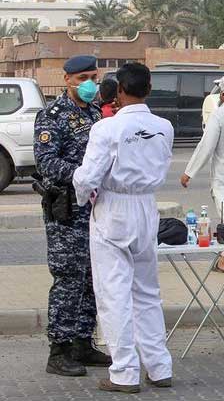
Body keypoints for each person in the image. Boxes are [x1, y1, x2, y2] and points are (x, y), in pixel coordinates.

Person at [73, 62, 174, 394]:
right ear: (148, 90)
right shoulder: (165, 127)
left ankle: (125, 372)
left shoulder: (107, 128)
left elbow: (88, 177)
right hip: (146, 206)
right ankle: (159, 367)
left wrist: (82, 193)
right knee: (147, 292)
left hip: (114, 206)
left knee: (113, 294)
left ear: (119, 91)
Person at [33, 55, 111, 377]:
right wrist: (84, 175)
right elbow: (47, 163)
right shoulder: (51, 116)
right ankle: (59, 350)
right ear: (67, 80)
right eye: (82, 78)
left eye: (93, 76)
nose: (90, 83)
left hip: (95, 209)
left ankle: (82, 342)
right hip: (66, 211)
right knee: (68, 279)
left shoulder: (95, 113)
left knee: (92, 278)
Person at [181, 71, 224, 273]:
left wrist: (189, 172)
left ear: (223, 94)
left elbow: (206, 146)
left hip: (223, 176)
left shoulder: (219, 115)